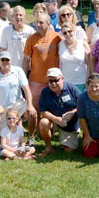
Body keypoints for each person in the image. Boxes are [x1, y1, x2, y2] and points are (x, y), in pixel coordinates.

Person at [23, 13, 61, 145]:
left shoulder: (57, 38)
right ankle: (31, 136)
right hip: (35, 80)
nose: (38, 25)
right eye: (36, 22)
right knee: (33, 110)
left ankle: (49, 133)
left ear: (48, 24)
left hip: (52, 82)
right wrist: (24, 78)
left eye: (41, 23)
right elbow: (26, 59)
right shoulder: (31, 39)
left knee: (51, 109)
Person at [0, 51, 37, 133]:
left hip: (18, 105)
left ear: (11, 60)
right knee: (1, 133)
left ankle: (31, 139)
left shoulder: (18, 70)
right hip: (2, 108)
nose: (5, 62)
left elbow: (27, 90)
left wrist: (30, 105)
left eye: (7, 59)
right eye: (3, 60)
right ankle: (16, 127)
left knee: (32, 113)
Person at [36, 68, 81, 156]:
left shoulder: (73, 89)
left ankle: (64, 140)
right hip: (54, 120)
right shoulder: (45, 92)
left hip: (70, 123)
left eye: (56, 80)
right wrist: (55, 119)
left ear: (62, 78)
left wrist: (73, 113)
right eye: (50, 81)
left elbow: (82, 106)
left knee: (69, 150)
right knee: (43, 122)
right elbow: (43, 111)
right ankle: (48, 147)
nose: (53, 83)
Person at [59, 23, 90, 90]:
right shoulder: (60, 45)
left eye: (70, 31)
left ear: (74, 31)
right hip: (66, 82)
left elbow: (89, 64)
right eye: (64, 33)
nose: (67, 34)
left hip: (81, 81)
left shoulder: (83, 44)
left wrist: (88, 80)